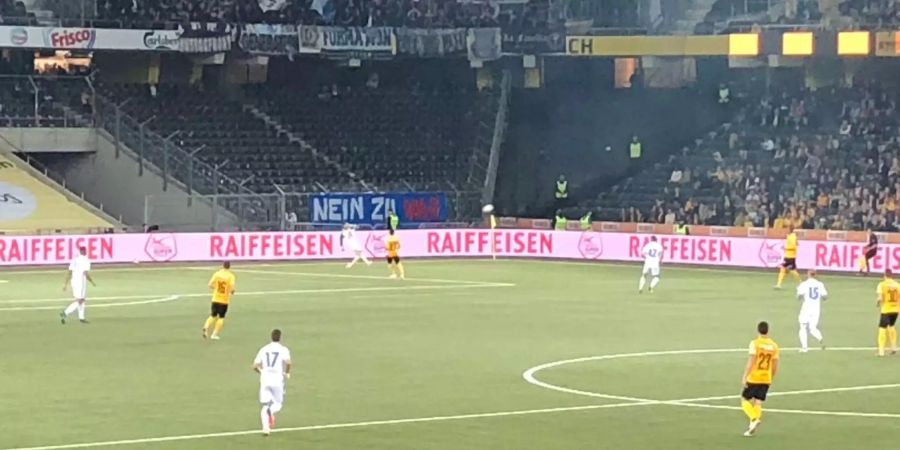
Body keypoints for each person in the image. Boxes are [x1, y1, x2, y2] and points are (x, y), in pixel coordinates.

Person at [740, 321, 779, 437]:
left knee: (744, 399)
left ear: (758, 330)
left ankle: (753, 418)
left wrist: (745, 376)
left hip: (754, 377)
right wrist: (770, 377)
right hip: (766, 377)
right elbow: (775, 365)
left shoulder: (755, 343)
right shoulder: (774, 346)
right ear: (768, 331)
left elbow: (751, 361)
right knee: (758, 402)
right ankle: (752, 425)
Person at [253, 329, 292, 436]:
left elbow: (255, 366)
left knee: (265, 405)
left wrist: (262, 372)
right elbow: (288, 363)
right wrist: (287, 373)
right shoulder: (283, 349)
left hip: (265, 379)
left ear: (271, 337)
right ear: (280, 337)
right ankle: (271, 411)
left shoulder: (264, 349)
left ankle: (266, 429)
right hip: (277, 379)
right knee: (278, 404)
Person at [60, 246, 96, 324]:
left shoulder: (74, 259)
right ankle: (65, 313)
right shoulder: (86, 260)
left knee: (81, 300)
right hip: (81, 283)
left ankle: (81, 317)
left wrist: (65, 283)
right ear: (85, 251)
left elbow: (69, 271)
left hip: (74, 282)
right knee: (80, 300)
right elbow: (86, 273)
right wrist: (92, 282)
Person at [203, 261, 236, 340]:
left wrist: (216, 289)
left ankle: (206, 326)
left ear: (223, 266)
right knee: (221, 317)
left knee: (213, 315)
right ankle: (214, 334)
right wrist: (231, 292)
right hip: (224, 300)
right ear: (229, 267)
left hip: (215, 298)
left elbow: (210, 284)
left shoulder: (217, 274)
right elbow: (232, 288)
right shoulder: (230, 276)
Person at [796, 270, 827, 352]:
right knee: (813, 328)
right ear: (815, 275)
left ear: (808, 274)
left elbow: (798, 296)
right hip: (816, 309)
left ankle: (804, 348)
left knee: (803, 327)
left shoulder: (804, 284)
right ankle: (820, 338)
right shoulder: (820, 284)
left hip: (806, 308)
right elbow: (824, 297)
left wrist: (801, 296)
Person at [876, 270, 900, 357]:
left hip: (886, 309)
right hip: (895, 310)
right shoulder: (897, 285)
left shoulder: (882, 284)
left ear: (885, 275)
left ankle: (881, 351)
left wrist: (878, 303)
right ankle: (893, 347)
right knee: (891, 326)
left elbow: (880, 298)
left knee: (882, 328)